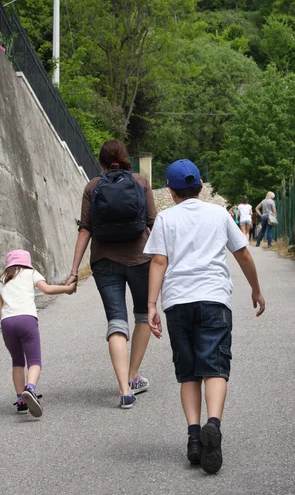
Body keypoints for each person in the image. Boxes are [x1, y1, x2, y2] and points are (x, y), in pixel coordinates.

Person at [144, 159, 265, 474]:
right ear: (199, 186)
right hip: (214, 299)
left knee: (188, 373)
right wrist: (255, 289)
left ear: (170, 191)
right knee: (215, 368)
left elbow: (158, 262)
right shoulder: (218, 214)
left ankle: (194, 437)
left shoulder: (166, 219)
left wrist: (152, 304)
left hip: (178, 303)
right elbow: (243, 254)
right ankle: (214, 424)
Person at [66, 140, 157, 408]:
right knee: (142, 315)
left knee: (116, 322)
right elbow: (153, 223)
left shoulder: (93, 186)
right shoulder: (140, 182)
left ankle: (124, 390)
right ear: (127, 159)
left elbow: (85, 229)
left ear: (102, 162)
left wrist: (74, 271)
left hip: (104, 261)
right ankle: (132, 377)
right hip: (141, 259)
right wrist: (166, 263)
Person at [0, 250, 77, 417]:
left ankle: (21, 400)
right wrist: (67, 289)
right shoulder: (30, 272)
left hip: (7, 322)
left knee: (17, 361)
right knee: (34, 360)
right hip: (27, 319)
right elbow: (47, 289)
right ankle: (30, 389)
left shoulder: (2, 278)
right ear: (26, 262)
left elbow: (0, 307)